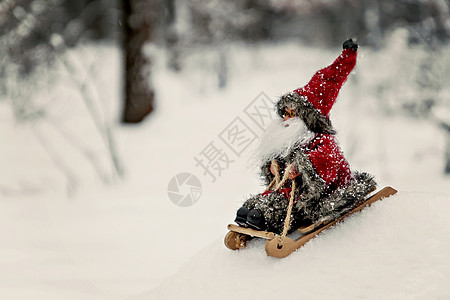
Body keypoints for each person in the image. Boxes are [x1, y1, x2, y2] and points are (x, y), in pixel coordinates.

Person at [235, 39, 376, 234]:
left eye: (292, 114)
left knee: (279, 207)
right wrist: (274, 166)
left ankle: (266, 218)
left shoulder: (322, 141)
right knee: (257, 204)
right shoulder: (291, 141)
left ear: (307, 118)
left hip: (318, 196)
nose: (286, 119)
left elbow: (325, 165)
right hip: (291, 191)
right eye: (284, 114)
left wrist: (301, 167)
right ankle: (255, 214)